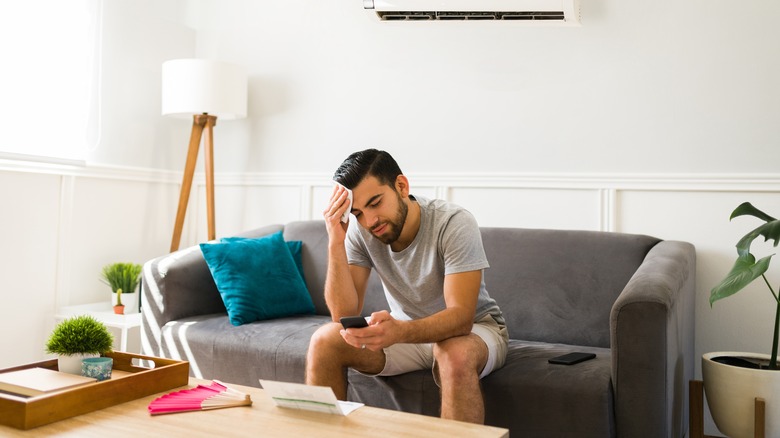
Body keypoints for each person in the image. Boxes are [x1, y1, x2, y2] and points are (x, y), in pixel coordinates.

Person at [305, 149, 508, 424]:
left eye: (376, 202)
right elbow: (342, 314)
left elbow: (461, 318)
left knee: (454, 354)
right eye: (358, 213)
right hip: (405, 333)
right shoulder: (360, 232)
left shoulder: (453, 222)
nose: (370, 221)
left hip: (475, 329)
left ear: (401, 186)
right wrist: (335, 241)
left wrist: (398, 331)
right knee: (325, 340)